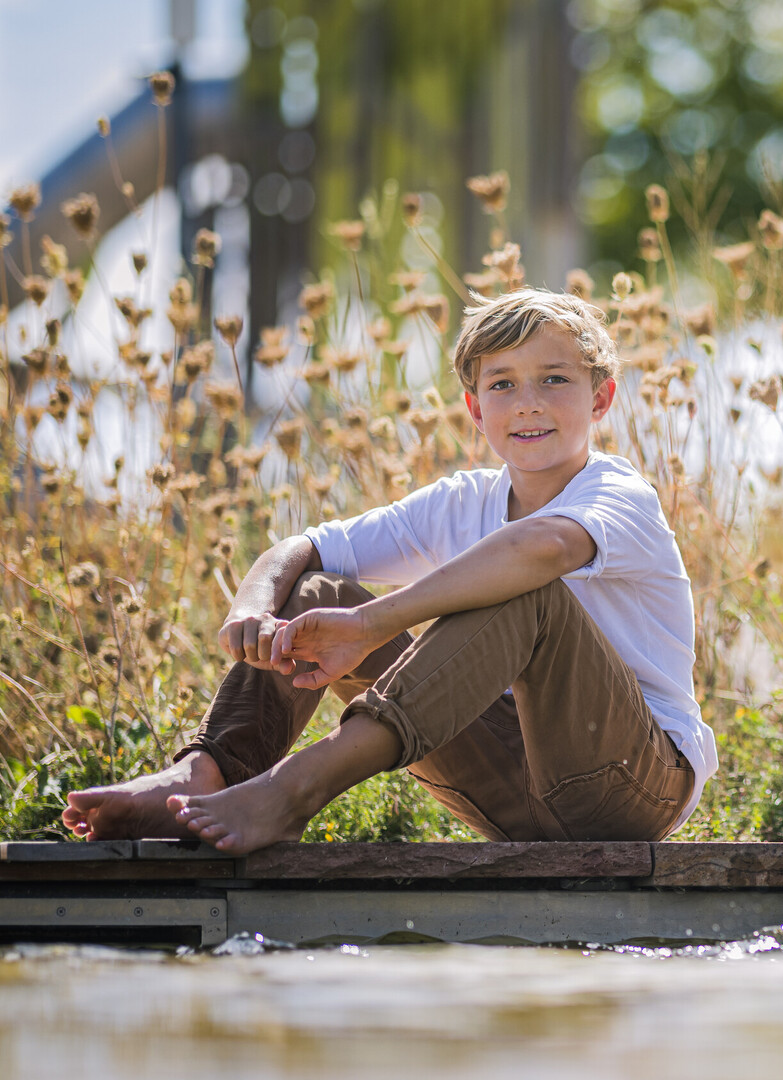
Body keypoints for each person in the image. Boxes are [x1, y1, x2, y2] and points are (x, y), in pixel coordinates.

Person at [63, 289, 717, 854]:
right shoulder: (462, 500)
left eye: (554, 379)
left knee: (526, 594)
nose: (527, 403)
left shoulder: (618, 493)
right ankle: (205, 775)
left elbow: (540, 552)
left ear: (600, 398)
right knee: (313, 590)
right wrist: (251, 608)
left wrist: (370, 624)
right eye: (502, 384)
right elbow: (303, 548)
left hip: (629, 786)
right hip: (506, 791)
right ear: (474, 408)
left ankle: (292, 790)